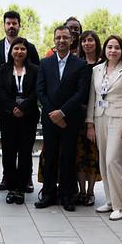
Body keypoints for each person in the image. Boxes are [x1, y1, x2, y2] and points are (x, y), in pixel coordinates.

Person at [35, 25, 91, 212]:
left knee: (68, 156)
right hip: (50, 118)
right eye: (58, 37)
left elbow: (81, 92)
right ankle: (49, 194)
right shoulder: (44, 63)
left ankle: (67, 195)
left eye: (65, 37)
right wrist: (53, 113)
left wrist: (63, 112)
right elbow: (40, 91)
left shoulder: (80, 65)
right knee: (49, 155)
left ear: (71, 40)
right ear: (54, 39)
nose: (61, 41)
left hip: (70, 118)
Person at [85, 35, 122, 220]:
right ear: (104, 50)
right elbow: (92, 96)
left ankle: (119, 206)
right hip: (100, 118)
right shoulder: (97, 70)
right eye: (109, 47)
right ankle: (109, 200)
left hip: (118, 119)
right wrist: (89, 123)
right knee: (103, 162)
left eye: (116, 47)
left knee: (113, 161)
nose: (112, 50)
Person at [0, 37, 40, 205]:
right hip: (8, 117)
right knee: (9, 153)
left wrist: (24, 107)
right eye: (16, 49)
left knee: (26, 153)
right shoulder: (2, 70)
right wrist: (13, 107)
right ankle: (11, 188)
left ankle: (21, 189)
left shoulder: (35, 70)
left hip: (29, 116)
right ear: (11, 51)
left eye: (23, 49)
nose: (19, 52)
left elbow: (37, 92)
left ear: (27, 52)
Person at [75, 30, 102, 206]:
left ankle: (91, 191)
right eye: (84, 41)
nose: (87, 44)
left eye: (90, 40)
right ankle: (81, 191)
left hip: (98, 115)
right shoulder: (77, 64)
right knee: (79, 154)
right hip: (77, 114)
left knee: (92, 154)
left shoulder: (104, 64)